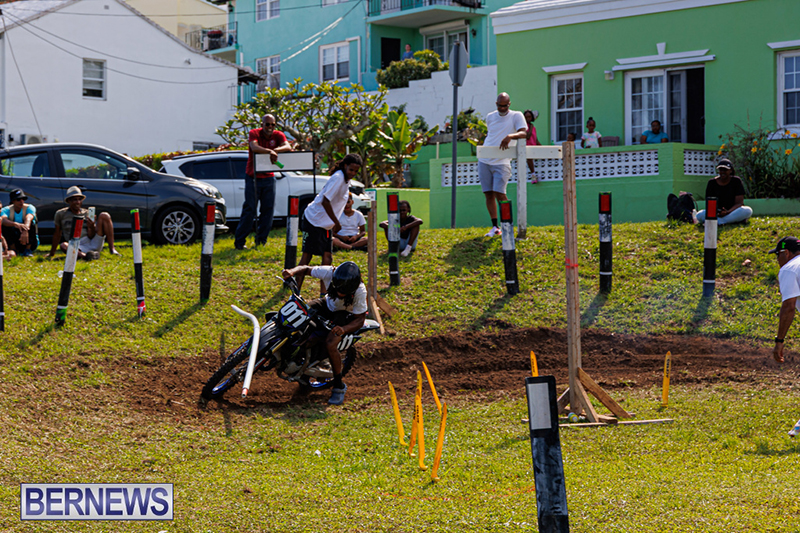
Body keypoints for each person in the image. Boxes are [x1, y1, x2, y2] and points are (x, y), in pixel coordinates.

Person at [282, 261, 367, 405]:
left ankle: (339, 386)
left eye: (344, 292)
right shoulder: (328, 272)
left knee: (330, 343)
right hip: (327, 305)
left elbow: (360, 319)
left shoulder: (360, 291)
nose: (340, 293)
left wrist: (343, 329)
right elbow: (306, 269)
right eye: (338, 289)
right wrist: (292, 271)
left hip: (346, 315)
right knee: (300, 312)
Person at [297, 153, 362, 292]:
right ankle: (295, 291)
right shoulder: (338, 178)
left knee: (327, 257)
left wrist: (332, 224)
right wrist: (336, 222)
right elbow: (325, 201)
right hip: (314, 220)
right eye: (351, 170)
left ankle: (324, 293)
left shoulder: (345, 180)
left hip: (326, 224)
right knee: (307, 257)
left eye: (356, 171)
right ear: (345, 166)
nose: (353, 173)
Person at [234, 113, 292, 250]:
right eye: (267, 124)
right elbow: (254, 147)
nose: (270, 127)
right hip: (253, 177)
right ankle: (240, 242)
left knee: (268, 211)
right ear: (262, 125)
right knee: (249, 210)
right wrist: (269, 151)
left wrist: (275, 150)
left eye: (272, 124)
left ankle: (261, 241)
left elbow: (287, 146)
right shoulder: (254, 133)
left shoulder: (278, 135)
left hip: (268, 178)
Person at [478, 92, 528, 237]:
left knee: (500, 193)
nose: (502, 108)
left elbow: (524, 133)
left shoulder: (516, 115)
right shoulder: (490, 116)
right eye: (500, 105)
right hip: (485, 160)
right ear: (496, 104)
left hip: (502, 162)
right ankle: (495, 227)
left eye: (505, 105)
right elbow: (491, 135)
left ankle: (507, 225)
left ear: (509, 104)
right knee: (488, 193)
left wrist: (510, 136)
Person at [46, 186, 120, 260]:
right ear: (69, 201)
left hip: (91, 241)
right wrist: (52, 253)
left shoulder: (86, 213)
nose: (78, 202)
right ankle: (86, 256)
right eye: (75, 200)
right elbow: (57, 234)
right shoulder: (60, 214)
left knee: (104, 215)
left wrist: (91, 227)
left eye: (80, 199)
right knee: (63, 245)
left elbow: (91, 235)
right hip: (76, 245)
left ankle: (112, 249)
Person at [769, 236, 800, 366]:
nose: (777, 260)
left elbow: (788, 307)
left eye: (777, 255)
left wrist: (779, 341)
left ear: (785, 253)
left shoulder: (789, 269)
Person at [694, 158, 753, 225]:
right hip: (716, 213)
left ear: (730, 170)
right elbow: (709, 203)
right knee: (699, 215)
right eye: (720, 170)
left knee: (748, 211)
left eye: (725, 170)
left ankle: (721, 221)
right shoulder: (712, 183)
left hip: (732, 212)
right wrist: (718, 212)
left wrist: (727, 212)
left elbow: (739, 203)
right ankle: (727, 220)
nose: (722, 172)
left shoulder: (736, 181)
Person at [0, 189, 38, 257]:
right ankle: (13, 249)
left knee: (31, 223)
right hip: (15, 238)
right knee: (5, 225)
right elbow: (3, 220)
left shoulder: (29, 207)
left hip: (29, 240)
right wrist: (16, 224)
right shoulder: (6, 210)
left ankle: (28, 250)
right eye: (18, 200)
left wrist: (25, 229)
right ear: (12, 201)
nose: (21, 201)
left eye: (23, 199)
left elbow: (29, 217)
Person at [523, 109, 541, 182]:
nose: (528, 119)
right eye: (526, 117)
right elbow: (527, 136)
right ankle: (533, 174)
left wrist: (541, 147)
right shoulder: (524, 127)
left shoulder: (533, 127)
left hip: (533, 146)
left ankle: (537, 174)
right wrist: (530, 127)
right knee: (529, 159)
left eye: (529, 117)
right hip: (527, 147)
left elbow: (535, 139)